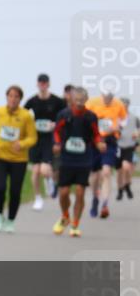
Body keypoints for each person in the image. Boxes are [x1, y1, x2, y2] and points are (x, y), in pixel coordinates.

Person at [0, 85, 38, 233]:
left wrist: (22, 143)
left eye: (16, 97)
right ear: (6, 97)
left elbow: (33, 137)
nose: (13, 99)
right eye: (11, 96)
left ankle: (11, 220)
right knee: (0, 188)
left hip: (19, 160)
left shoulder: (26, 116)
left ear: (20, 99)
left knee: (15, 191)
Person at [52, 87, 105, 237]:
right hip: (66, 158)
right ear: (71, 99)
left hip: (83, 158)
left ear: (87, 99)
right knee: (64, 192)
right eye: (77, 100)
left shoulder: (91, 117)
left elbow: (96, 135)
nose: (80, 103)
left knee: (80, 192)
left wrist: (99, 143)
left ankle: (75, 224)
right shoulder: (64, 115)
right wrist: (56, 144)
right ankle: (65, 216)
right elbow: (56, 132)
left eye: (83, 100)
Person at [25, 73, 66, 210]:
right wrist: (30, 123)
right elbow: (23, 114)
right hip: (36, 138)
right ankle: (38, 198)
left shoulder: (56, 101)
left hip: (50, 138)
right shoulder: (32, 101)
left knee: (44, 170)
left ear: (48, 84)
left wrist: (56, 124)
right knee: (35, 171)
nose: (42, 85)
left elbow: (65, 116)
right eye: (40, 83)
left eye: (45, 83)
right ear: (37, 84)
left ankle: (50, 181)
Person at [85, 91, 127, 218]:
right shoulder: (92, 103)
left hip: (109, 141)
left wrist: (117, 128)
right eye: (106, 97)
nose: (108, 100)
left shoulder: (118, 104)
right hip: (94, 141)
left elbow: (123, 121)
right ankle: (95, 198)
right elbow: (84, 118)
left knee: (106, 172)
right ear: (101, 95)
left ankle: (105, 204)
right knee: (94, 174)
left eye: (111, 97)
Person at [117, 98, 138, 200]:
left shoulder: (134, 118)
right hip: (117, 146)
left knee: (126, 167)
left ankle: (127, 185)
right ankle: (120, 190)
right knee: (119, 171)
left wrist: (137, 133)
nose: (124, 106)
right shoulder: (115, 116)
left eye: (125, 105)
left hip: (129, 145)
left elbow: (138, 129)